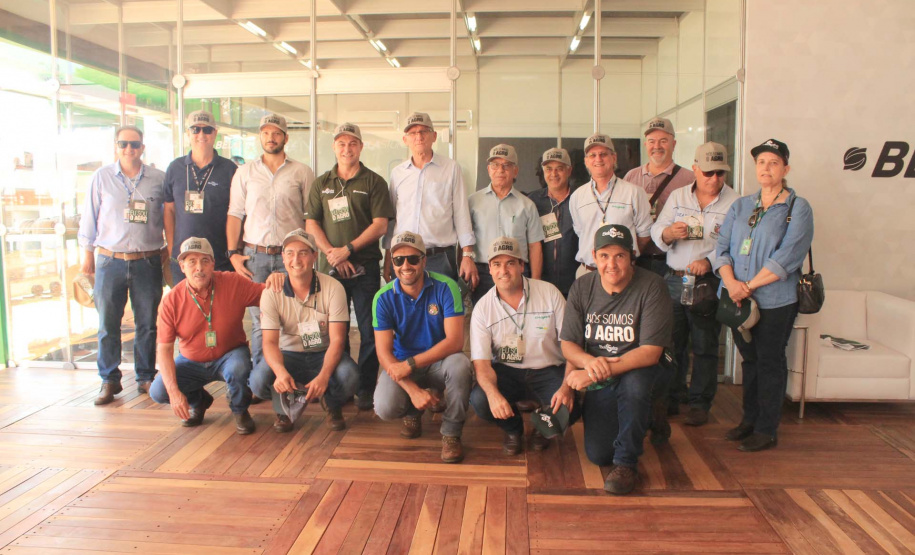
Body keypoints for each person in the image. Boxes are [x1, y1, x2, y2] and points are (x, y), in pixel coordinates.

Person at [714, 138, 813, 452]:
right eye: (761, 162)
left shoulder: (798, 207)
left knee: (770, 361)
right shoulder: (742, 205)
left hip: (775, 301)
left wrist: (749, 286)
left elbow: (787, 258)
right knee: (750, 360)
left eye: (773, 162)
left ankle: (767, 429)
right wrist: (731, 284)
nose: (766, 168)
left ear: (786, 168)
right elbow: (722, 249)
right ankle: (749, 421)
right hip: (737, 300)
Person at [560, 224, 673, 495]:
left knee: (635, 387)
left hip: (642, 366)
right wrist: (589, 363)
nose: (612, 264)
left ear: (631, 256)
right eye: (605, 256)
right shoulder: (582, 287)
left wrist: (593, 372)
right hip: (601, 372)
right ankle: (647, 418)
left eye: (620, 256)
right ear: (594, 256)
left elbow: (650, 352)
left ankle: (626, 463)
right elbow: (568, 344)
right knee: (599, 454)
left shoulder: (652, 286)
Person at [305, 123, 394, 411]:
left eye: (352, 143)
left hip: (365, 268)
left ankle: (366, 388)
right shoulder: (322, 183)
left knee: (370, 331)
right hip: (330, 269)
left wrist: (348, 250)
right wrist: (332, 253)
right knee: (334, 330)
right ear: (334, 147)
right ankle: (341, 384)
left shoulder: (374, 182)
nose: (347, 149)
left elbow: (380, 225)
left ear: (361, 147)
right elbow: (311, 223)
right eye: (341, 143)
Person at [650, 142, 739, 426]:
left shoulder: (735, 202)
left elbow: (734, 245)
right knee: (672, 344)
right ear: (696, 169)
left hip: (708, 283)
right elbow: (655, 231)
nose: (714, 179)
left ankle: (700, 404)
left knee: (704, 346)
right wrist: (667, 232)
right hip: (675, 280)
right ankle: (674, 397)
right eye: (709, 173)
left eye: (720, 174)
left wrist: (710, 262)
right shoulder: (677, 197)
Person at [78, 125, 166, 405]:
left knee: (147, 324)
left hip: (147, 261)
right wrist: (87, 255)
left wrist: (166, 253)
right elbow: (89, 218)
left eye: (135, 144)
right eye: (124, 144)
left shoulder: (158, 179)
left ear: (143, 147)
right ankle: (109, 380)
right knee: (107, 324)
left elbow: (168, 219)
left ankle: (144, 376)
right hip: (109, 261)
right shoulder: (101, 177)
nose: (129, 149)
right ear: (116, 146)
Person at [150, 237, 269, 434]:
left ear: (213, 264)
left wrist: (277, 281)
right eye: (192, 262)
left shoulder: (233, 282)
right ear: (182, 266)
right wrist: (174, 392)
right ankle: (199, 401)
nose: (199, 268)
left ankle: (240, 410)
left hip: (230, 354)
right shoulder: (171, 301)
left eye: (205, 261)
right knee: (159, 391)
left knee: (239, 368)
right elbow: (163, 349)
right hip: (191, 361)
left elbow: (268, 294)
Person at [372, 231, 472, 463]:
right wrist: (412, 390)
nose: (405, 265)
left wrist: (411, 364)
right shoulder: (382, 297)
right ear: (392, 264)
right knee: (384, 407)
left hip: (440, 361)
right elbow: (383, 353)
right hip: (404, 365)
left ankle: (451, 433)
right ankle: (412, 411)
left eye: (413, 259)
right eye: (398, 260)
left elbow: (456, 341)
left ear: (424, 260)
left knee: (461, 365)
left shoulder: (446, 287)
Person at [469, 237, 574, 455]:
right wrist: (493, 394)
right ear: (489, 269)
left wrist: (566, 386)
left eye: (510, 263)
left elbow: (571, 345)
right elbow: (482, 364)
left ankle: (541, 428)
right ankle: (513, 429)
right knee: (480, 399)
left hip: (548, 370)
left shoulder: (550, 293)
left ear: (522, 266)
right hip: (507, 371)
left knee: (571, 407)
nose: (503, 271)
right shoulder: (482, 308)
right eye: (497, 264)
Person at [226, 113, 316, 368]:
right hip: (256, 257)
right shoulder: (245, 172)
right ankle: (261, 379)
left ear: (285, 138)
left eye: (276, 133)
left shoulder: (302, 172)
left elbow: (311, 216)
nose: (270, 138)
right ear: (260, 137)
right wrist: (233, 253)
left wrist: (311, 253)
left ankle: (299, 372)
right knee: (260, 321)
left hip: (293, 257)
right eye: (265, 133)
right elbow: (235, 213)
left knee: (299, 314)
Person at [249, 229, 359, 432]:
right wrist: (280, 372)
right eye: (289, 253)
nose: (296, 259)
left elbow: (337, 341)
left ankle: (332, 404)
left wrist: (324, 375)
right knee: (257, 381)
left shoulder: (333, 288)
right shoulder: (272, 291)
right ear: (282, 257)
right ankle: (282, 408)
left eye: (303, 252)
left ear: (315, 256)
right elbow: (270, 342)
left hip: (322, 353)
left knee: (350, 375)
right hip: (288, 354)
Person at [384, 112, 478, 290]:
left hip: (440, 257)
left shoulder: (451, 169)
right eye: (413, 133)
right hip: (404, 258)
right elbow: (392, 218)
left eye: (424, 131)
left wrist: (467, 255)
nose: (418, 136)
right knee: (408, 312)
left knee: (441, 312)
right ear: (405, 139)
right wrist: (388, 255)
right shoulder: (398, 173)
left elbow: (461, 213)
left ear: (434, 136)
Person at [163, 110, 238, 286]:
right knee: (185, 312)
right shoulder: (175, 168)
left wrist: (234, 249)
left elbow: (237, 213)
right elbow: (169, 209)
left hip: (219, 258)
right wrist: (171, 246)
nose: (201, 134)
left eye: (207, 130)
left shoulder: (230, 170)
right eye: (195, 129)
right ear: (188, 133)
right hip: (183, 259)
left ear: (215, 133)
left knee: (220, 311)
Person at [468, 144, 544, 303]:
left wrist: (535, 282)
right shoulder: (472, 202)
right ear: (488, 169)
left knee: (518, 321)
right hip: (483, 275)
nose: (500, 170)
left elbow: (535, 246)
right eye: (495, 165)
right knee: (485, 323)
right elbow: (464, 239)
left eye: (506, 165)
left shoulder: (527, 205)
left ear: (515, 171)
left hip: (518, 273)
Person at [569, 133, 652, 276]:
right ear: (586, 161)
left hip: (622, 274)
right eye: (592, 155)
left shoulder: (634, 192)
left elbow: (644, 236)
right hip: (587, 273)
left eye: (603, 154)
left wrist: (626, 259)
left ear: (614, 158)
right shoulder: (577, 197)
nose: (598, 159)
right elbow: (581, 233)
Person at [624, 117, 694, 276]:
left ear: (674, 144)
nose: (657, 146)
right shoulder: (631, 177)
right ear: (645, 144)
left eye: (663, 141)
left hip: (671, 263)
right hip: (638, 260)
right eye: (651, 141)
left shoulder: (690, 179)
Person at [528, 148, 579, 297]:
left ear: (569, 171)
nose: (554, 174)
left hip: (575, 284)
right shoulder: (532, 201)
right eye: (549, 169)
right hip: (542, 284)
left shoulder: (581, 198)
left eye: (559, 169)